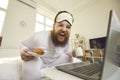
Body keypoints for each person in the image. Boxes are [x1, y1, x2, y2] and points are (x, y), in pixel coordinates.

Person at [20, 11, 74, 80]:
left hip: (54, 63)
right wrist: (23, 52)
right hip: (40, 62)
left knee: (69, 58)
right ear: (54, 26)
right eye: (60, 25)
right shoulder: (39, 36)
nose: (64, 29)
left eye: (68, 27)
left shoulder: (66, 41)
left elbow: (67, 52)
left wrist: (73, 52)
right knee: (32, 58)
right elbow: (23, 44)